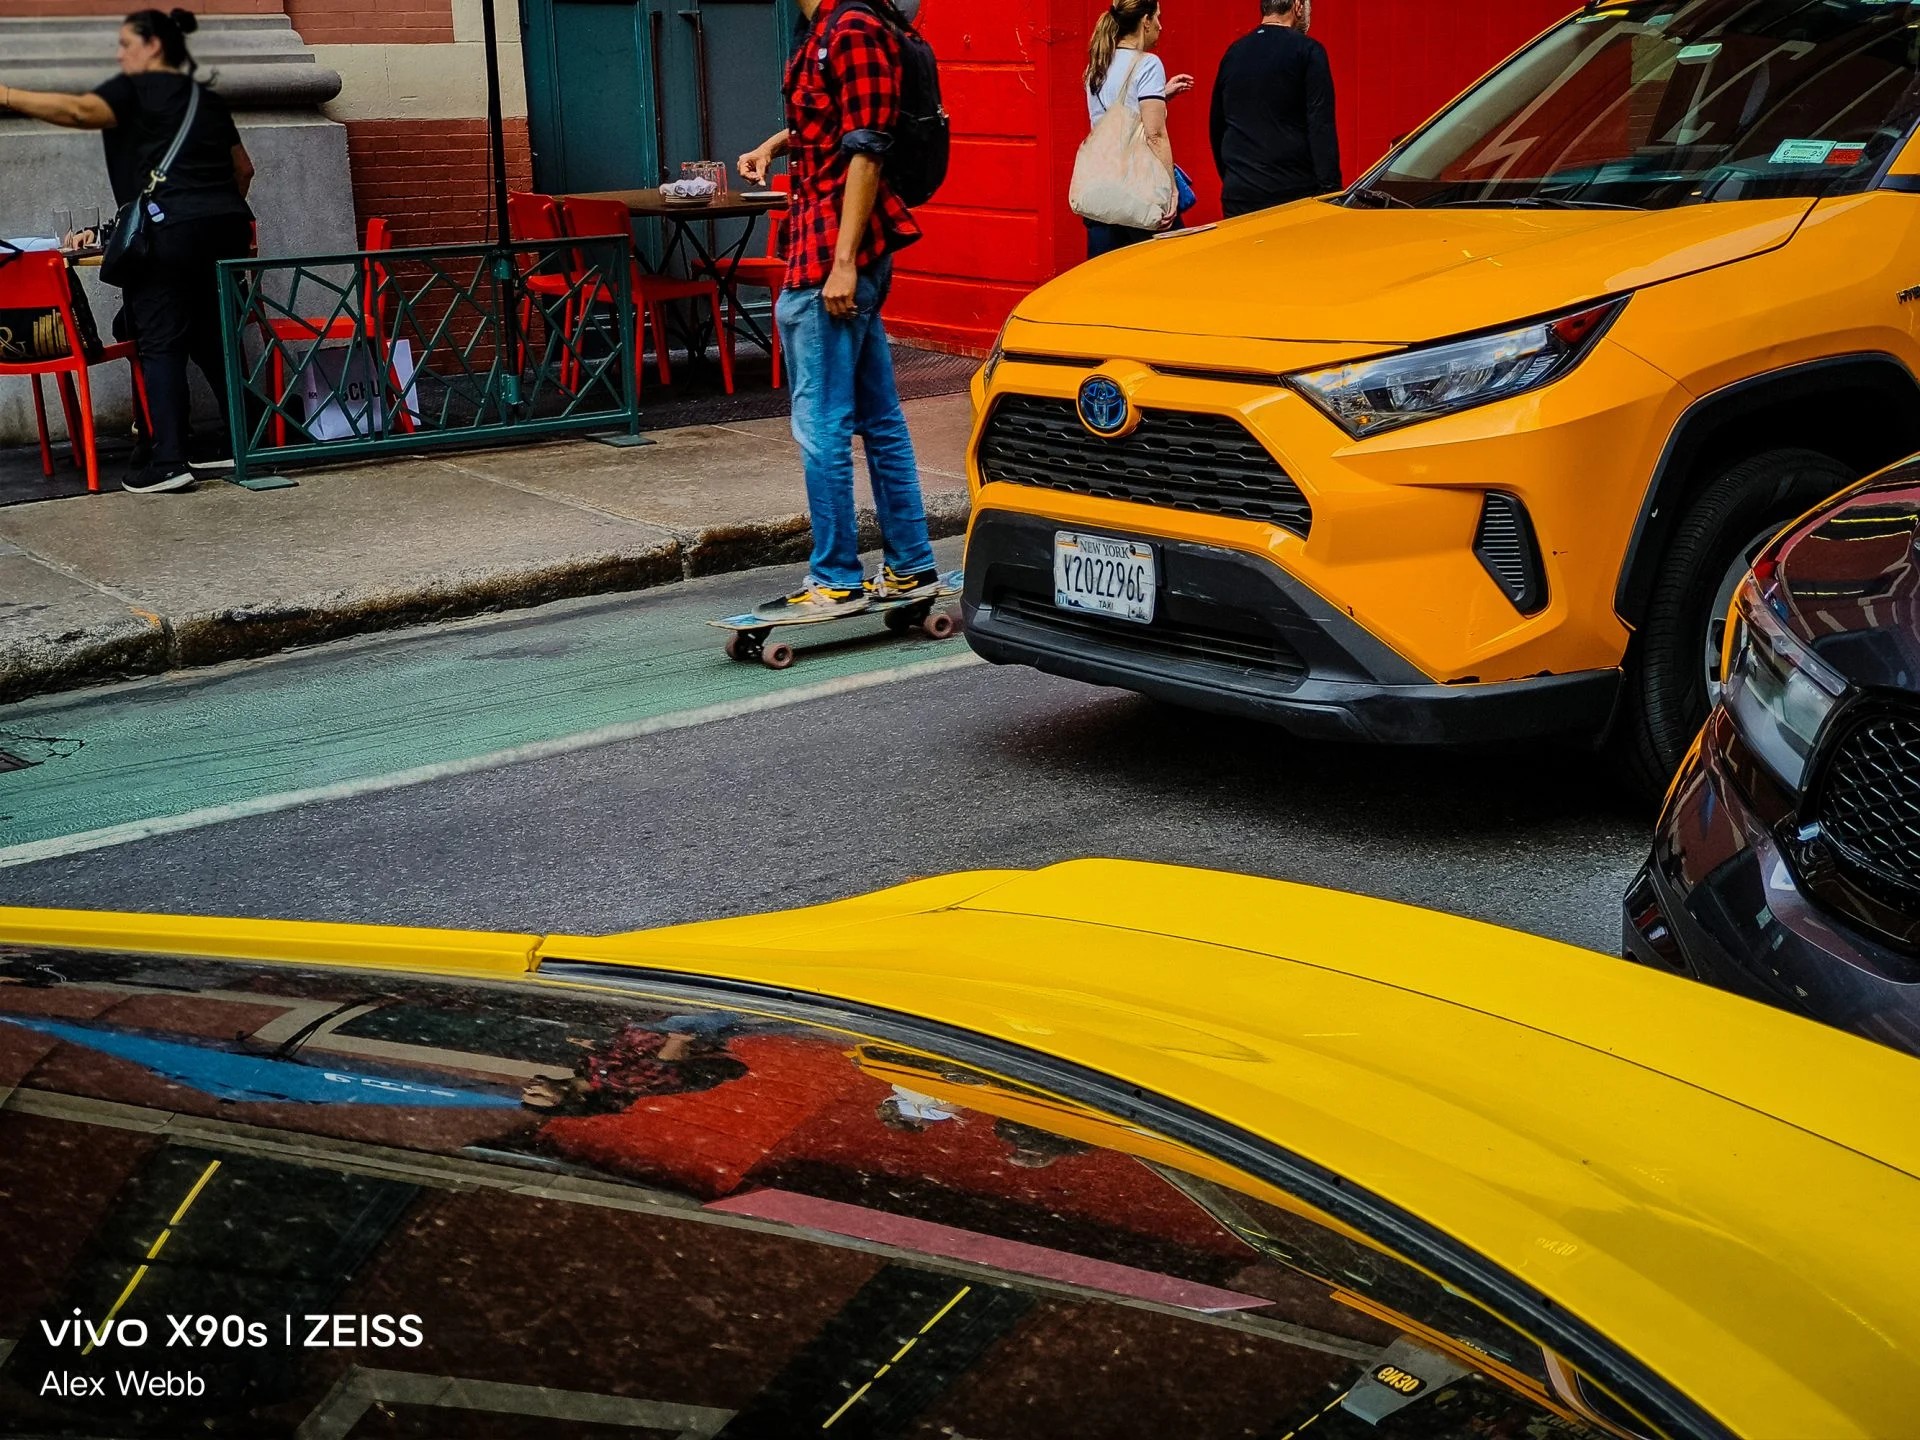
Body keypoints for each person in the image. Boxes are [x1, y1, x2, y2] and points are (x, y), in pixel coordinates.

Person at [736, 0, 941, 619]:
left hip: (831, 253)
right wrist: (776, 144)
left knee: (820, 423)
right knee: (878, 418)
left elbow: (868, 148)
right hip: (829, 244)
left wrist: (844, 262)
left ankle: (836, 578)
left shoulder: (851, 29)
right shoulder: (823, 29)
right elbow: (836, 123)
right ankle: (911, 564)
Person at [1, 8, 255, 494]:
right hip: (227, 228)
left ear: (154, 46)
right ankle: (240, 441)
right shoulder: (203, 98)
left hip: (168, 235)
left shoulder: (134, 90)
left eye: (125, 45)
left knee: (159, 341)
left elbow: (78, 111)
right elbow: (243, 169)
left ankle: (169, 461)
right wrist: (208, 215)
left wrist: (8, 94)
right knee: (212, 334)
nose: (119, 55)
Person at [1082, 0, 1194, 260]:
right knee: (1167, 266)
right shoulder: (1148, 64)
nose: (1160, 26)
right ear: (1145, 21)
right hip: (1140, 188)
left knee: (1108, 271)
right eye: (1157, 17)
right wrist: (1170, 189)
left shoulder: (1097, 66)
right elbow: (1155, 135)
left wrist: (1161, 94)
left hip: (1102, 189)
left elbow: (1117, 117)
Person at [1209, 0, 1340, 218]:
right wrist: (1331, 191)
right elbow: (1321, 127)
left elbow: (1217, 126)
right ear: (1297, 6)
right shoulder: (1308, 51)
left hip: (1240, 194)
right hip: (1293, 194)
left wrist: (1234, 178)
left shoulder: (1233, 53)